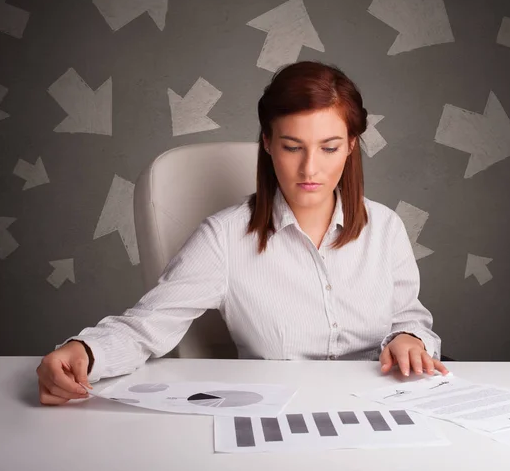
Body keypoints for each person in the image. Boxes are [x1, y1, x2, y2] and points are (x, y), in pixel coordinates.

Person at [36, 60, 448, 406]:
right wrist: (85, 352)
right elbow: (148, 325)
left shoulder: (386, 227)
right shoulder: (224, 237)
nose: (310, 169)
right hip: (276, 413)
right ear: (267, 143)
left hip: (384, 412)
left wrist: (410, 339)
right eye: (292, 146)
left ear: (351, 146)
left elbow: (410, 319)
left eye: (329, 147)